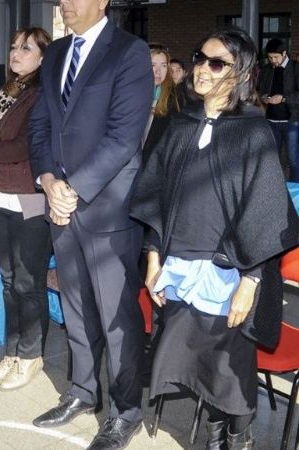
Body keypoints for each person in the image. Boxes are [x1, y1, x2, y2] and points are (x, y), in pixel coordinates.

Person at [131, 27, 299, 450]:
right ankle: (214, 432)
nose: (202, 69)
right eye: (200, 58)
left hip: (229, 271)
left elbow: (266, 215)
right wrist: (153, 257)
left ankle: (239, 437)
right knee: (199, 360)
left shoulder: (252, 131)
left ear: (239, 72)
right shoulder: (180, 123)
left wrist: (251, 281)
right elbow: (155, 197)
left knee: (230, 368)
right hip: (179, 265)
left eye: (217, 63)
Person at [27, 0, 153, 447]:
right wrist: (47, 180)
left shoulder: (130, 52)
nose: (66, 4)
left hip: (107, 209)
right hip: (60, 204)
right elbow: (40, 124)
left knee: (117, 318)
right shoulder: (57, 53)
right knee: (76, 307)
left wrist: (72, 188)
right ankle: (82, 391)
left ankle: (125, 412)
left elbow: (124, 137)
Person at [0, 27, 52, 390]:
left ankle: (31, 356)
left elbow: (21, 148)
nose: (16, 53)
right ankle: (13, 352)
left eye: (26, 48)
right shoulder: (2, 92)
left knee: (28, 281)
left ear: (43, 58)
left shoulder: (42, 94)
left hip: (28, 197)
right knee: (7, 279)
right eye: (14, 46)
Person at [258, 38, 299, 182]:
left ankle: (295, 191)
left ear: (284, 53)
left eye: (276, 57)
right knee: (272, 160)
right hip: (271, 121)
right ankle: (275, 189)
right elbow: (261, 89)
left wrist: (283, 98)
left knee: (293, 160)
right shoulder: (267, 69)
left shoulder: (296, 68)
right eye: (270, 58)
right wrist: (264, 97)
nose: (273, 60)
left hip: (292, 121)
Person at [142, 44, 184, 164]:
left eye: (163, 65)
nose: (158, 71)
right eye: (153, 65)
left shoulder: (174, 98)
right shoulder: (131, 94)